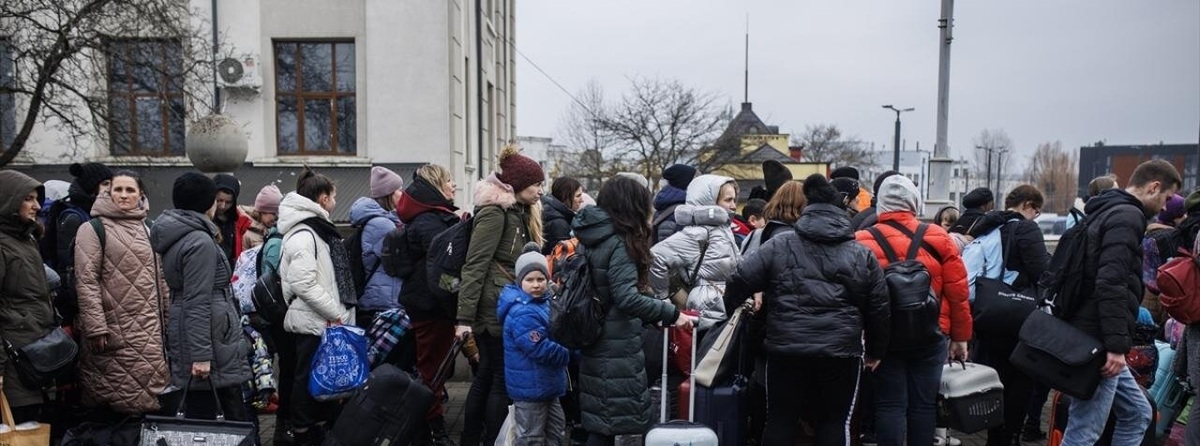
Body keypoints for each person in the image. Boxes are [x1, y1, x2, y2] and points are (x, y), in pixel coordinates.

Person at [722, 173, 889, 446]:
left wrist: (734, 312)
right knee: (835, 421)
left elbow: (739, 278)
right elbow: (878, 307)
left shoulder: (780, 244)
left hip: (786, 348)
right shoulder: (861, 254)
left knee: (780, 417)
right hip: (841, 351)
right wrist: (876, 350)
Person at [1060, 160, 1179, 445]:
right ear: (1154, 187)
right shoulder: (1128, 217)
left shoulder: (1107, 210)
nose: (1166, 207)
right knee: (1084, 431)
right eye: (1166, 198)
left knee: (1138, 412)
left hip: (1095, 332)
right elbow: (1111, 282)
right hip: (1100, 340)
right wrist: (1114, 347)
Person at [573, 175, 695, 446]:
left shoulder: (592, 236)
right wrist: (672, 314)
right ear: (631, 206)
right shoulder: (619, 243)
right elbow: (627, 297)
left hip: (596, 336)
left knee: (601, 420)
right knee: (607, 424)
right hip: (615, 344)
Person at [856, 174, 971, 446]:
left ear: (881, 203)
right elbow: (958, 291)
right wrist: (960, 337)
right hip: (931, 334)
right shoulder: (938, 237)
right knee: (923, 405)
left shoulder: (861, 240)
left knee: (890, 404)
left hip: (885, 337)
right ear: (915, 202)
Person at [457, 145, 545, 446]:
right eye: (536, 184)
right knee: (497, 381)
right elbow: (475, 265)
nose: (540, 191)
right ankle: (494, 438)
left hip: (500, 303)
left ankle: (473, 438)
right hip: (492, 308)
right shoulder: (495, 214)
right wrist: (464, 318)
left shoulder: (515, 212)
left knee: (487, 377)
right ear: (518, 185)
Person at [149, 172, 252, 424]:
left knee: (205, 413)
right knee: (224, 418)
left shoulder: (182, 234)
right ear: (209, 203)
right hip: (211, 340)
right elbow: (197, 300)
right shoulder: (199, 241)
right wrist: (201, 355)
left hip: (201, 333)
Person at [73, 170, 170, 416]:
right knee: (117, 406)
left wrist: (168, 318)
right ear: (108, 192)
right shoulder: (92, 229)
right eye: (118, 189)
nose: (123, 195)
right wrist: (96, 327)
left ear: (141, 195)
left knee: (149, 407)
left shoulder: (149, 227)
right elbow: (86, 281)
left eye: (130, 190)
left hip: (149, 333)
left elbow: (161, 280)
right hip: (114, 331)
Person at [277, 168, 355, 446]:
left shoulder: (317, 230)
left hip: (321, 320)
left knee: (320, 379)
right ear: (323, 199)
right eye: (333, 196)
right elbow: (303, 283)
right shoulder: (304, 233)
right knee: (307, 379)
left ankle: (316, 429)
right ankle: (302, 433)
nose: (335, 201)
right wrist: (335, 313)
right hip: (314, 320)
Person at [967, 184, 1049, 446]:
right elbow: (1042, 272)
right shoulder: (1026, 228)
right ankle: (1010, 435)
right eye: (1036, 210)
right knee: (1020, 380)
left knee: (993, 379)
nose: (1035, 216)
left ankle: (993, 434)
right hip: (1017, 317)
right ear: (1027, 204)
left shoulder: (986, 226)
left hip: (988, 313)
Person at [396, 164, 461, 446]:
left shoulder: (429, 217)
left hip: (428, 303)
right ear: (436, 186)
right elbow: (443, 272)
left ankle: (427, 426)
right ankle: (432, 429)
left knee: (434, 367)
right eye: (449, 181)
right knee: (431, 369)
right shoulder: (430, 222)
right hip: (431, 306)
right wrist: (456, 292)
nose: (454, 185)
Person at [650, 174, 742, 329]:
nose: (733, 205)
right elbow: (655, 256)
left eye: (734, 199)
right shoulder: (698, 233)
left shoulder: (722, 229)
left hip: (721, 307)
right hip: (706, 311)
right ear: (710, 201)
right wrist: (664, 300)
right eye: (728, 200)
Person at [499, 243, 569, 446]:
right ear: (520, 282)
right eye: (530, 280)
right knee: (531, 437)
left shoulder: (544, 303)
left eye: (541, 279)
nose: (536, 284)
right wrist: (568, 352)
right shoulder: (522, 311)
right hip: (530, 390)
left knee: (555, 431)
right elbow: (539, 348)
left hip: (547, 385)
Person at [0, 170, 55, 426]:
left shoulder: (26, 239)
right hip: (12, 362)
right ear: (9, 200)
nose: (37, 206)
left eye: (37, 198)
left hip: (33, 357)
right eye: (28, 198)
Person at [45, 162, 113, 324]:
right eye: (105, 184)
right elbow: (70, 267)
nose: (110, 189)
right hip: (80, 304)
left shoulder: (99, 211)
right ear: (91, 186)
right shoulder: (74, 217)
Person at [350, 166, 406, 327]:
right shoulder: (381, 224)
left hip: (380, 297)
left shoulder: (382, 220)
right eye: (398, 190)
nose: (402, 194)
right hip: (383, 301)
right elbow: (399, 259)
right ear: (388, 194)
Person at [1141, 194, 1186, 324]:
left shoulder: (1149, 233)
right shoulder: (1170, 238)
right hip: (1164, 298)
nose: (1185, 217)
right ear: (1174, 216)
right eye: (1181, 214)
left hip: (1145, 294)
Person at [212, 174, 253, 266]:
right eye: (219, 200)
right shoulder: (204, 218)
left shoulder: (240, 221)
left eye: (228, 202)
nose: (223, 206)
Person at [652, 164, 695, 245]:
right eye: (695, 179)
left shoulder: (669, 204)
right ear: (687, 182)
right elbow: (665, 249)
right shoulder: (678, 211)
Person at [542, 177, 583, 254]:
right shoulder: (558, 222)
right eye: (578, 196)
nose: (582, 200)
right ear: (565, 197)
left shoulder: (555, 214)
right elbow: (562, 258)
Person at [243, 184, 283, 250]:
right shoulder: (247, 233)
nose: (276, 218)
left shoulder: (272, 230)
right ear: (262, 211)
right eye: (273, 213)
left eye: (278, 213)